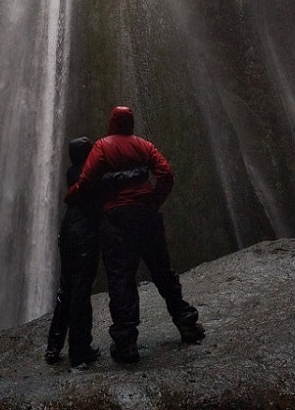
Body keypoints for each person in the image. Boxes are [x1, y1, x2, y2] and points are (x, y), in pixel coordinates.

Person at [66, 106, 204, 363]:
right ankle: (187, 323)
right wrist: (154, 199)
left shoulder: (102, 146)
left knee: (121, 279)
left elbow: (86, 180)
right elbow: (166, 173)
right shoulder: (144, 146)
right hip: (146, 215)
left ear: (111, 123)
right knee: (163, 272)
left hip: (116, 219)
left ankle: (126, 343)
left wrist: (71, 194)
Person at [45, 136, 102, 368]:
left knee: (65, 290)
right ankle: (80, 350)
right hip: (84, 235)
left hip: (67, 230)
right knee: (80, 292)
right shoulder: (91, 177)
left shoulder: (71, 175)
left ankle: (53, 346)